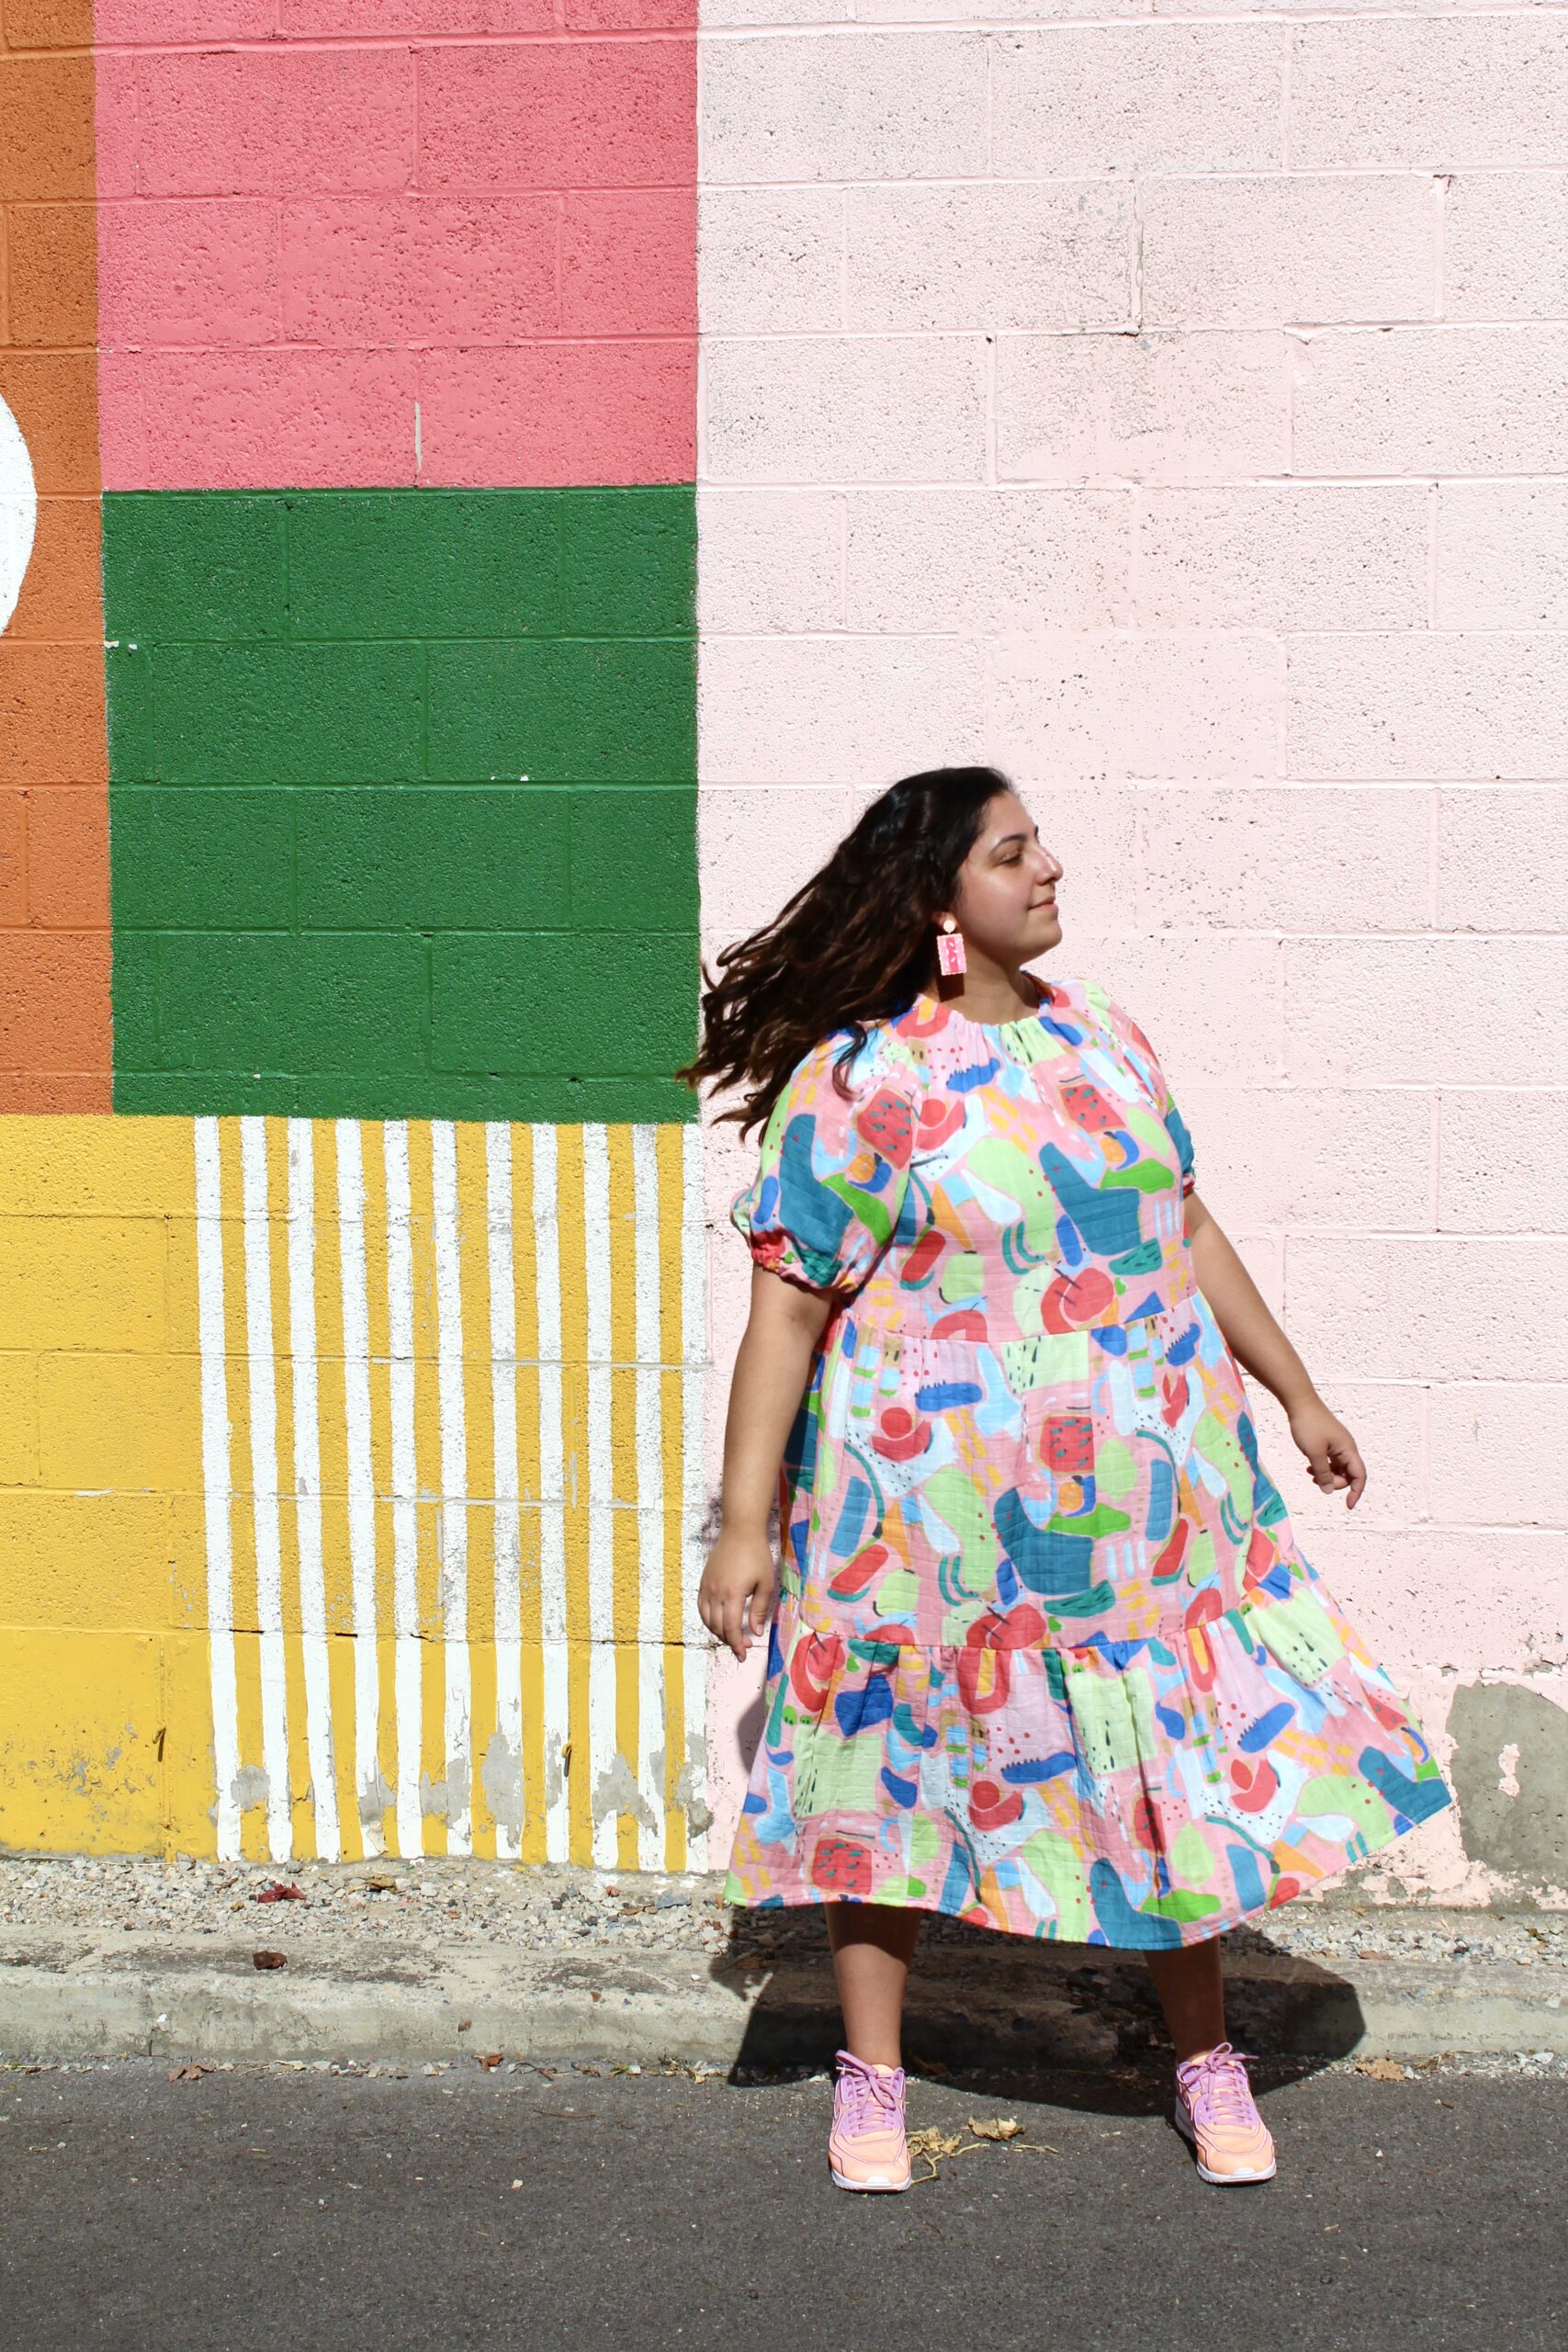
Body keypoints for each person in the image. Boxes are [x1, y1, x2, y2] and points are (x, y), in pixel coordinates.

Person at [680, 766, 1450, 2194]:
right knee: (883, 1783)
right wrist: (746, 1527)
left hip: (1144, 1509)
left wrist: (1297, 1391)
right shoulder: (860, 1082)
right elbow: (785, 1308)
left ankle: (1204, 2059)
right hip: (924, 1513)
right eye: (1014, 854)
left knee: (1168, 1775)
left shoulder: (1103, 1038)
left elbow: (1187, 1227)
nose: (1050, 872)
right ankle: (871, 2080)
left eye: (1039, 849)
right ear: (940, 902)